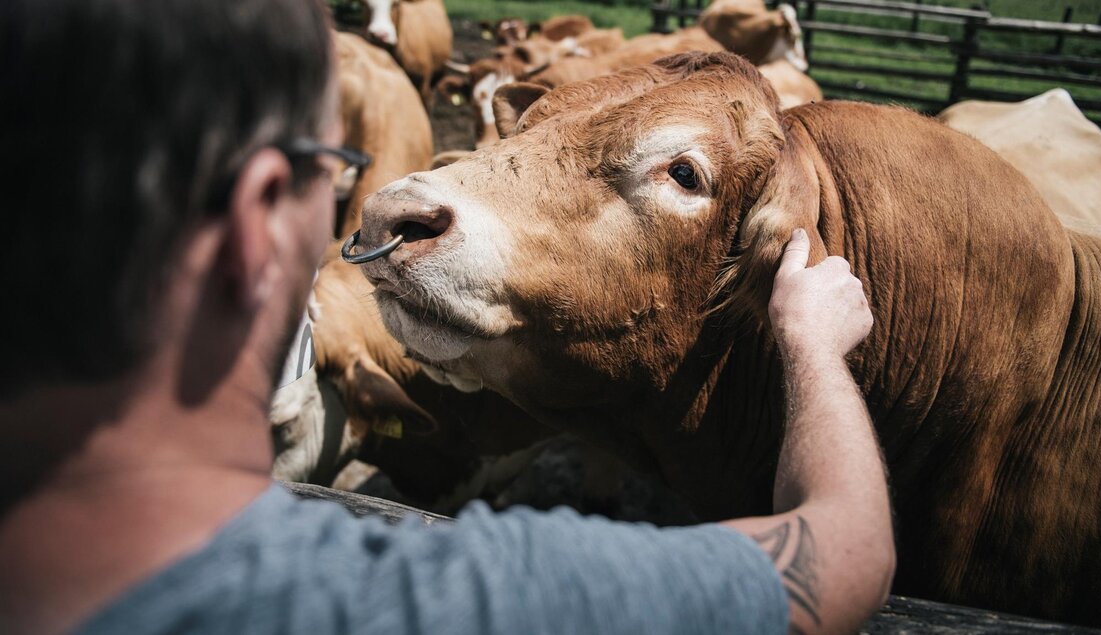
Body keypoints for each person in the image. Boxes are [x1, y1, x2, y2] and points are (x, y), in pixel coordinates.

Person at [0, 1, 895, 633]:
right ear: (255, 220)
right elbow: (846, 555)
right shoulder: (426, 602)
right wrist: (814, 351)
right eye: (331, 165)